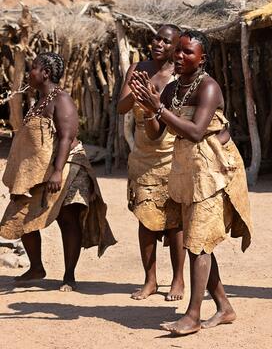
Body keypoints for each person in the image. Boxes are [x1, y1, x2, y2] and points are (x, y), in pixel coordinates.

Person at [130, 30, 253, 335]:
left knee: (198, 243)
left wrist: (159, 108)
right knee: (200, 242)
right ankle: (224, 307)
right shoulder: (173, 90)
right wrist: (150, 110)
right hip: (186, 170)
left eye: (188, 52)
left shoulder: (208, 87)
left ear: (202, 58)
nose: (180, 56)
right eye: (179, 51)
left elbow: (197, 131)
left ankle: (193, 315)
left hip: (212, 171)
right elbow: (158, 134)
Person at [0, 52, 116, 291]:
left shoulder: (61, 100)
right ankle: (36, 267)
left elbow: (66, 137)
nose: (29, 72)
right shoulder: (38, 101)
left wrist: (57, 171)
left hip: (67, 168)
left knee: (67, 219)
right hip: (39, 171)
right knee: (22, 216)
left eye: (33, 68)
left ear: (46, 73)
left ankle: (69, 276)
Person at [117, 25, 186, 301]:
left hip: (172, 156)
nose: (158, 43)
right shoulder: (137, 68)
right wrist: (138, 93)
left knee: (175, 223)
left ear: (175, 45)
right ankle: (150, 280)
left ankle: (178, 280)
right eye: (156, 37)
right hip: (143, 158)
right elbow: (121, 108)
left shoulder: (179, 74)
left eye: (166, 41)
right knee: (145, 221)